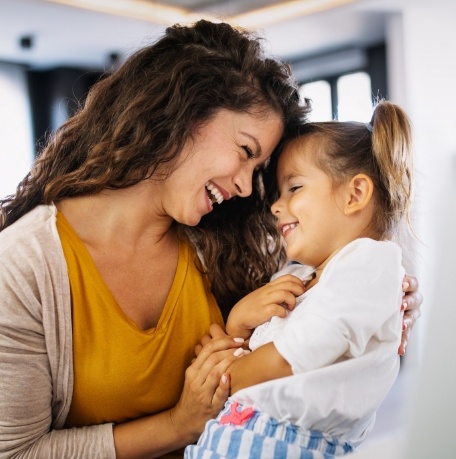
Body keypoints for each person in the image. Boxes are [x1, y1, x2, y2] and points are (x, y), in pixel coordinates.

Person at [0, 18, 421, 459]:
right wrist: (178, 425)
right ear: (182, 111)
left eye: (258, 172)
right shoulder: (25, 268)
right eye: (245, 152)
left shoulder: (233, 240)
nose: (244, 188)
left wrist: (395, 297)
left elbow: (333, 272)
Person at [185, 100, 417, 458]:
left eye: (294, 188)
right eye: (278, 194)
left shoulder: (370, 262)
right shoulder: (295, 276)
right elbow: (246, 354)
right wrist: (240, 320)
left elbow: (286, 361)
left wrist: (224, 377)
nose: (276, 206)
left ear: (355, 194)